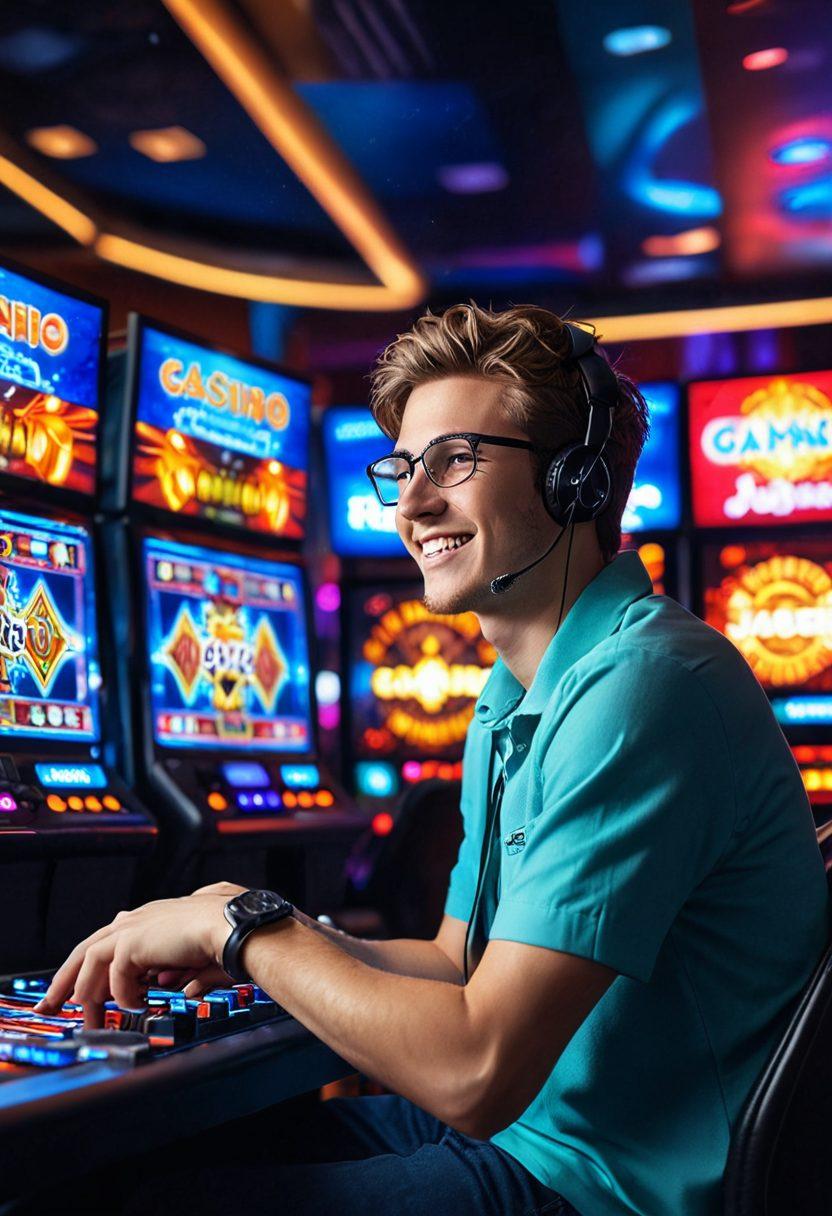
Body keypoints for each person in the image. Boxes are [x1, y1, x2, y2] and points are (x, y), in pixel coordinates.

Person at [35, 304, 828, 1216]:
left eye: (455, 460)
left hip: (607, 1185)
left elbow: (475, 1069)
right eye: (404, 468)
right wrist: (281, 940)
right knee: (117, 1166)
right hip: (536, 1137)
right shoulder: (511, 692)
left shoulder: (644, 684)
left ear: (573, 480)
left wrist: (243, 928)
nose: (411, 503)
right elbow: (460, 964)